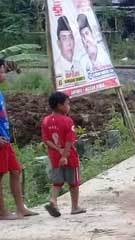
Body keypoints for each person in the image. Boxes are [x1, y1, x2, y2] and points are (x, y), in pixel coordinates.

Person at [0, 58, 37, 220]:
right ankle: (2, 212)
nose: (4, 74)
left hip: (5, 139)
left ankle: (21, 208)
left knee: (16, 170)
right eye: (1, 71)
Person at [42, 92, 85, 217]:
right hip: (69, 156)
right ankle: (75, 207)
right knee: (74, 182)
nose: (69, 106)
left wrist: (58, 150)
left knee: (57, 181)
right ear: (60, 106)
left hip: (54, 156)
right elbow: (69, 141)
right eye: (67, 103)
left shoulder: (46, 120)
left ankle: (53, 199)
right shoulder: (67, 121)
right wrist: (65, 155)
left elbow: (46, 140)